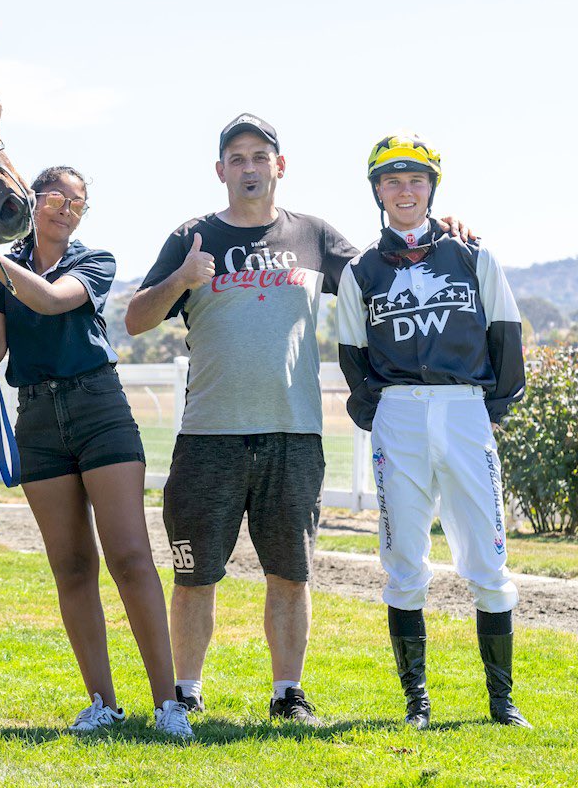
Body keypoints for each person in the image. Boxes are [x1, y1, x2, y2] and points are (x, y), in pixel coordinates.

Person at [125, 115, 471, 724]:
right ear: (220, 170)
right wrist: (182, 278)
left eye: (261, 156)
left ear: (279, 166)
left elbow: (387, 270)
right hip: (209, 436)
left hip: (295, 433)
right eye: (237, 158)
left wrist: (441, 232)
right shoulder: (192, 236)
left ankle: (288, 693)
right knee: (195, 575)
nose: (250, 168)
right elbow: (135, 320)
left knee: (290, 572)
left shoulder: (314, 236)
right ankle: (185, 693)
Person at [0, 166, 193, 739]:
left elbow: (51, 301)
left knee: (129, 557)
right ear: (34, 201)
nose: (66, 210)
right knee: (72, 567)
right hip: (38, 417)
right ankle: (103, 703)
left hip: (99, 407)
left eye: (77, 203)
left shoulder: (94, 262)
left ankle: (168, 704)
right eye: (56, 198)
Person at [334, 133, 530, 730]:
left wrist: (483, 409)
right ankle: (416, 702)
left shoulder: (474, 256)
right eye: (391, 180)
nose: (405, 190)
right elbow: (352, 356)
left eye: (416, 179)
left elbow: (507, 339)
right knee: (402, 556)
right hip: (399, 414)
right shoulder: (360, 270)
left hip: (466, 409)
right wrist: (387, 410)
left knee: (489, 556)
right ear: (376, 192)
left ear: (432, 187)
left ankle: (502, 702)